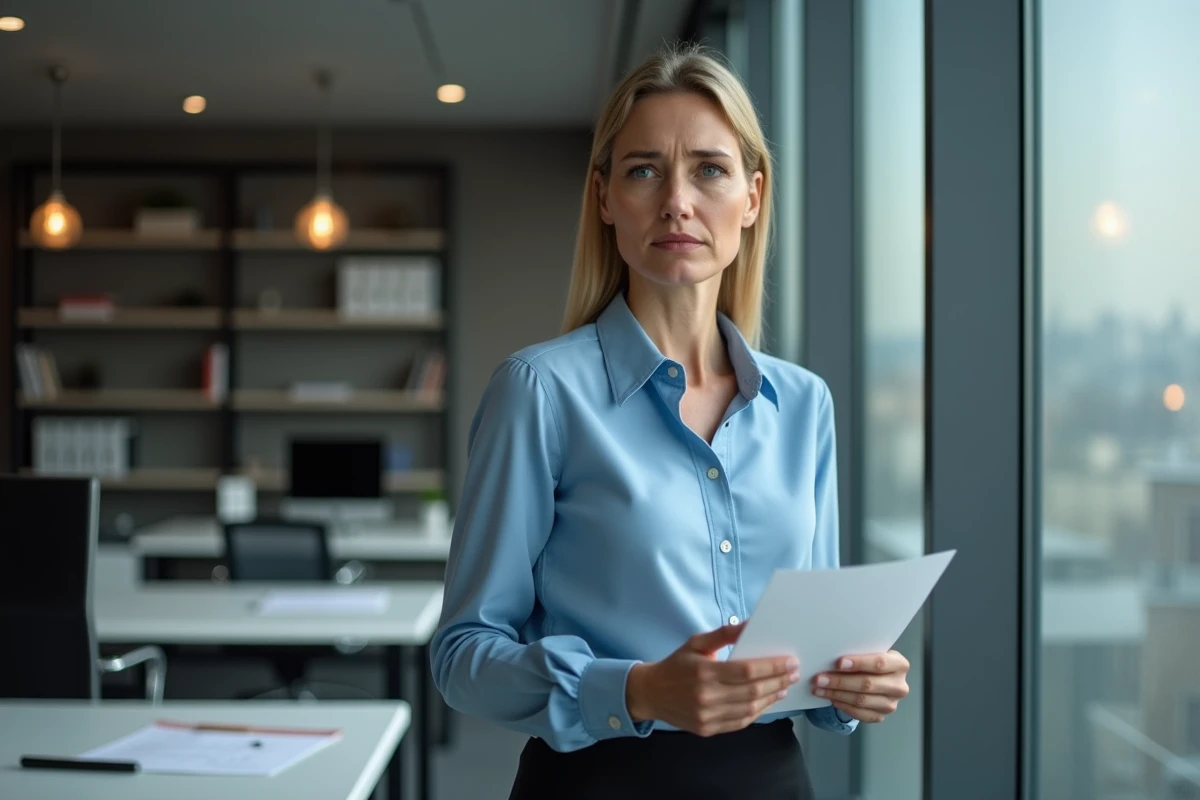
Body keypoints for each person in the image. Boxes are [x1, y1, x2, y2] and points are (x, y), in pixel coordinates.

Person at [430, 43, 911, 799]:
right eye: (645, 169)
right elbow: (462, 657)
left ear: (752, 198)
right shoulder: (538, 392)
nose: (677, 202)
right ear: (604, 197)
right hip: (595, 785)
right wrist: (638, 692)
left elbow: (812, 644)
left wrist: (851, 685)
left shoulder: (803, 405)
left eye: (710, 170)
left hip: (771, 781)